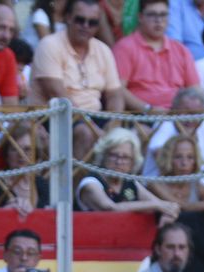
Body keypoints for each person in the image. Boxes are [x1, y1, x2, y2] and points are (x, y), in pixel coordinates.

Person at [31, 0, 130, 157]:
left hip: (95, 116)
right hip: (55, 117)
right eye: (80, 20)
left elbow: (115, 94)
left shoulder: (103, 50)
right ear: (68, 18)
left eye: (92, 22)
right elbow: (59, 94)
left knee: (125, 137)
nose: (86, 26)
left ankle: (108, 182)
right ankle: (80, 182)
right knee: (84, 133)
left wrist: (113, 123)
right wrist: (93, 128)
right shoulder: (49, 45)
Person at [113, 0, 200, 112]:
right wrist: (148, 109)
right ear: (140, 17)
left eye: (163, 15)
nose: (158, 20)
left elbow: (195, 90)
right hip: (141, 118)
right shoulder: (125, 47)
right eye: (152, 15)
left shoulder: (181, 50)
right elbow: (117, 89)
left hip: (179, 117)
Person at [77, 128, 180, 220]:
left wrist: (166, 213)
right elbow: (110, 208)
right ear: (104, 155)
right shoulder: (91, 183)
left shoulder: (130, 183)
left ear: (133, 162)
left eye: (125, 157)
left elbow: (162, 205)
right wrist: (156, 205)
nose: (119, 162)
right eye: (114, 155)